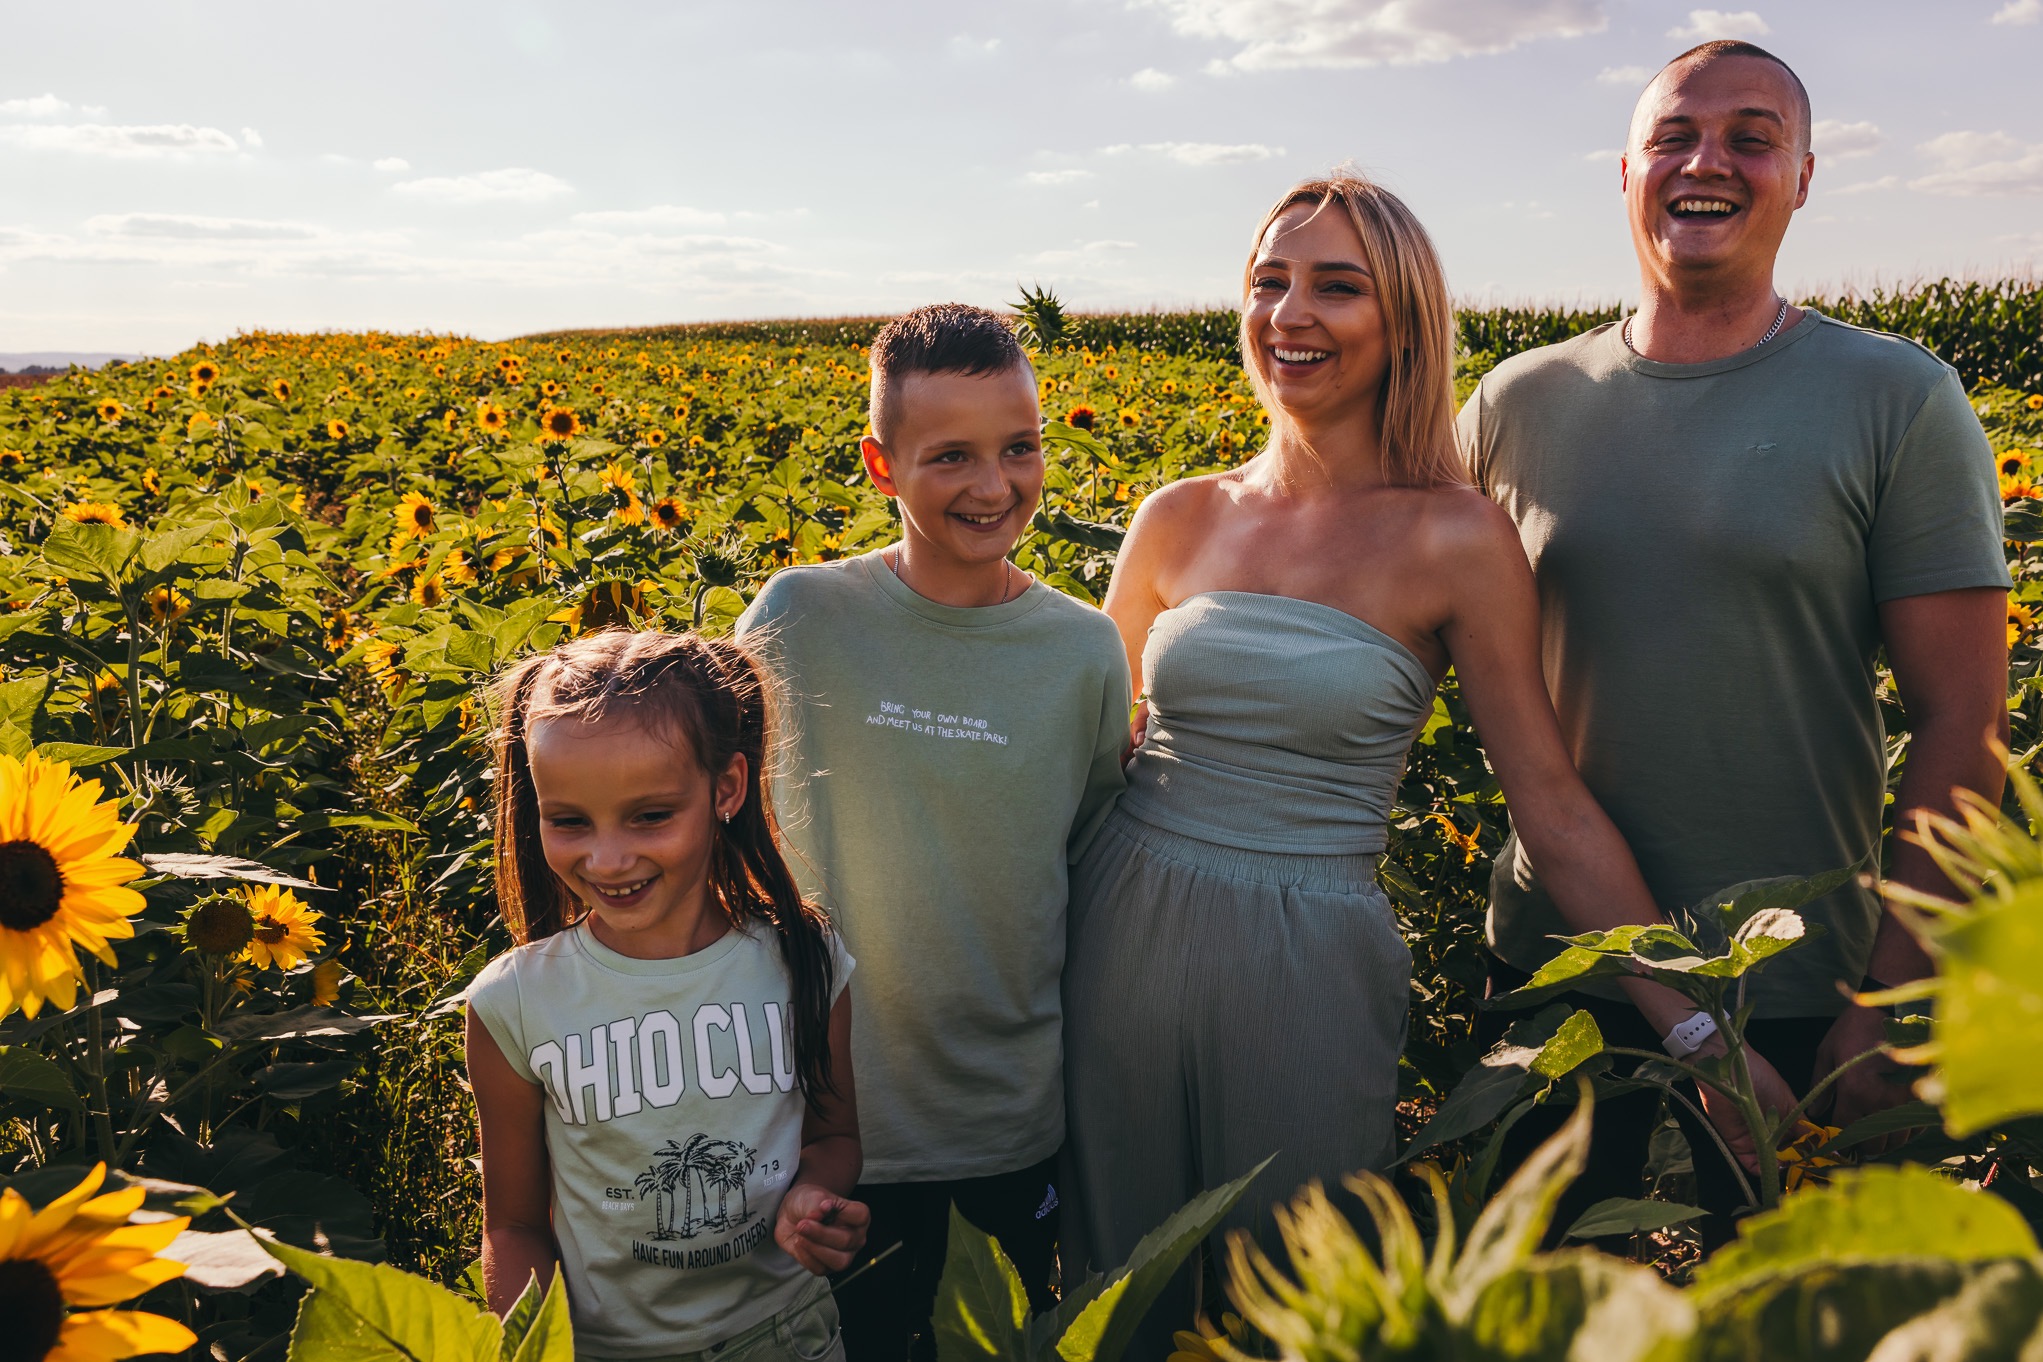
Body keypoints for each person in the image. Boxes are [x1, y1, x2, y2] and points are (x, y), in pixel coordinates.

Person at [1062, 171, 1771, 1352]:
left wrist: (1697, 1033)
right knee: (1117, 1298)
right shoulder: (1179, 516)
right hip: (1120, 937)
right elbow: (1081, 754)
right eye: (1270, 281)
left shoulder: (1454, 534)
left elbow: (1550, 806)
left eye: (1337, 287)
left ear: (1403, 324)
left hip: (1306, 958)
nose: (1291, 313)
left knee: (1307, 1305)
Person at [1460, 40, 2011, 1245]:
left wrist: (1892, 998)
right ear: (1625, 172)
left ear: (1803, 177)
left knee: (1788, 1304)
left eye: (1752, 139)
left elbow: (1963, 724)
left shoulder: (1896, 400)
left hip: (1801, 981)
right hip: (1563, 966)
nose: (1706, 161)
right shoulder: (1515, 404)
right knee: (1531, 1300)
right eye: (1674, 136)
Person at [735, 304, 1130, 1361]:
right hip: (818, 1119)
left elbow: (1089, 859)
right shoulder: (799, 618)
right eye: (950, 455)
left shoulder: (1084, 650)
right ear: (881, 465)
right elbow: (724, 827)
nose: (994, 485)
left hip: (1002, 1110)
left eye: (1019, 448)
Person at [465, 629, 866, 1361]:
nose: (608, 859)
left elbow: (834, 1137)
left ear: (726, 789)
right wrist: (535, 1347)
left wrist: (813, 1197)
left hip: (787, 1336)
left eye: (650, 816)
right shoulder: (514, 1004)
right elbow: (513, 1225)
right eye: (569, 821)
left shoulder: (803, 961)